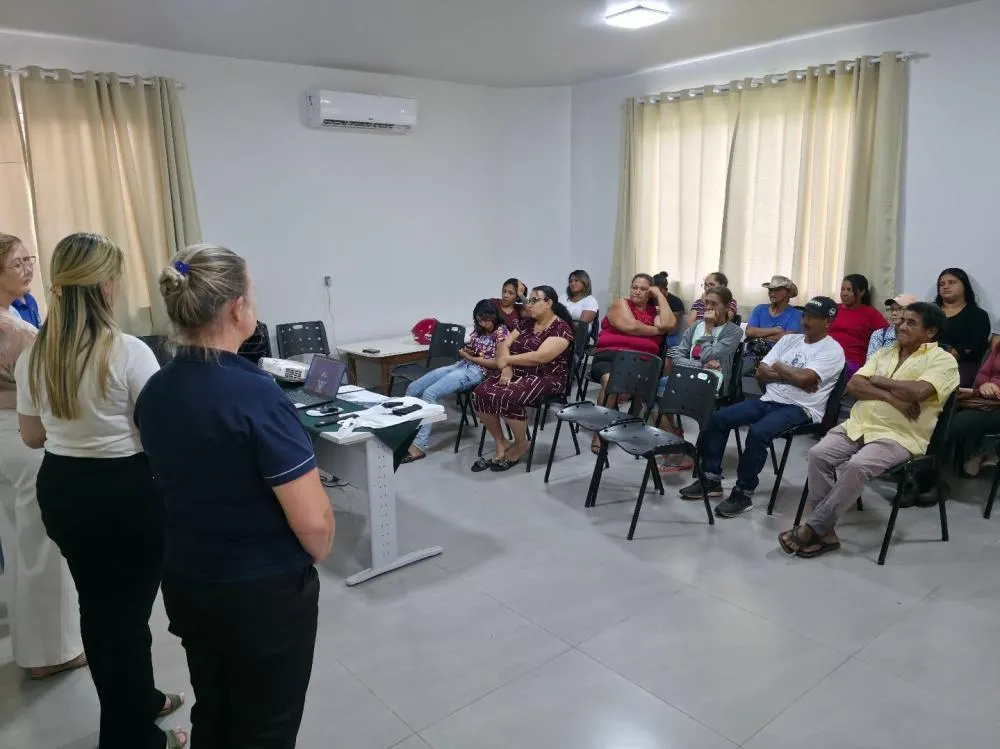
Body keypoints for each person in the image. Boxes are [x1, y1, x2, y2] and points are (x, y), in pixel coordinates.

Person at [134, 244, 334, 748]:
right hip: (260, 596)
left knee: (216, 706)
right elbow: (313, 524)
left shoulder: (157, 389)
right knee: (266, 724)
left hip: (189, 582)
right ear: (237, 308)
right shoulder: (255, 395)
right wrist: (316, 550)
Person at [15, 233, 185, 749]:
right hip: (125, 493)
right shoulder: (128, 352)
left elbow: (32, 436)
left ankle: (142, 699)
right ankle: (130, 736)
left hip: (64, 489)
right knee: (126, 618)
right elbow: (158, 437)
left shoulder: (35, 356)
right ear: (107, 286)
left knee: (103, 608)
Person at [779, 302, 959, 558]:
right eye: (902, 320)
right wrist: (893, 398)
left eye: (911, 322)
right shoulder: (886, 352)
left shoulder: (943, 360)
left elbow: (919, 391)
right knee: (819, 454)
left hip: (900, 435)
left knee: (857, 466)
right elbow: (854, 385)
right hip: (859, 424)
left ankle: (814, 527)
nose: (902, 325)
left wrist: (878, 380)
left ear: (930, 332)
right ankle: (825, 532)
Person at [0, 233, 85, 679]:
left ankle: (33, 646)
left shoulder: (15, 313)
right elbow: (55, 368)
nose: (28, 268)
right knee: (41, 545)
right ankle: (52, 653)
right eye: (17, 263)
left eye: (29, 259)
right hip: (19, 435)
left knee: (18, 545)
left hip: (5, 439)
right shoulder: (14, 329)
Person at [679, 297, 845, 516]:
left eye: (813, 317)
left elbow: (805, 379)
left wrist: (779, 370)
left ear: (827, 322)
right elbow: (761, 372)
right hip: (769, 400)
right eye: (805, 316)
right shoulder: (789, 341)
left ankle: (743, 493)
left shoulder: (832, 350)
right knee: (718, 418)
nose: (806, 321)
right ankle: (711, 480)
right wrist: (789, 374)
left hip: (801, 408)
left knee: (758, 433)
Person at [471, 285, 574, 472]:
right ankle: (501, 442)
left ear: (549, 303)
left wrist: (506, 360)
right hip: (518, 371)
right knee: (480, 393)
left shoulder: (561, 329)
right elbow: (503, 344)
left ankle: (521, 443)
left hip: (547, 376)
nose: (529, 304)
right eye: (529, 299)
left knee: (506, 395)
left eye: (534, 300)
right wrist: (507, 368)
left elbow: (540, 357)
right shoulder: (526, 323)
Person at [403, 299, 509, 462]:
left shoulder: (501, 332)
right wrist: (469, 352)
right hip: (462, 364)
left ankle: (419, 446)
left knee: (430, 394)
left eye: (486, 319)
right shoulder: (480, 329)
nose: (483, 323)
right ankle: (408, 435)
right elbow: (477, 350)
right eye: (479, 320)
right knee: (413, 388)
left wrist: (470, 357)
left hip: (478, 371)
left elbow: (497, 363)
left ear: (494, 316)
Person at [587, 274, 676, 451]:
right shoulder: (620, 304)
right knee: (610, 380)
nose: (637, 291)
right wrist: (657, 330)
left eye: (643, 289)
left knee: (642, 383)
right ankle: (600, 431)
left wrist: (659, 295)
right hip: (611, 357)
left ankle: (630, 422)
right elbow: (631, 327)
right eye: (634, 287)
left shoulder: (655, 311)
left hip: (643, 363)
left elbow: (670, 324)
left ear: (650, 292)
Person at [935, 267, 992, 387]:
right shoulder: (929, 312)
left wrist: (947, 357)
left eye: (952, 282)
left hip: (962, 364)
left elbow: (976, 346)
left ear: (965, 286)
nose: (945, 286)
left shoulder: (977, 315)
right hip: (925, 359)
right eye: (942, 284)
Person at [951, 345, 1000, 476]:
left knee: (959, 421)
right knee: (945, 411)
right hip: (984, 400)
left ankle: (981, 454)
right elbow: (983, 374)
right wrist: (985, 384)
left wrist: (995, 389)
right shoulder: (998, 348)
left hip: (996, 405)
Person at [828, 273, 888, 378]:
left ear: (861, 292)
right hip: (826, 357)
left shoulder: (870, 313)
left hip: (850, 362)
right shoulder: (833, 308)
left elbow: (889, 334)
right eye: (842, 289)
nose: (844, 293)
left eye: (849, 290)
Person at [745, 275, 803, 366]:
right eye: (770, 290)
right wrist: (776, 330)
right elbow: (749, 331)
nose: (772, 293)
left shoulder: (796, 313)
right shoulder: (760, 309)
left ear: (788, 293)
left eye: (777, 290)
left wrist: (758, 335)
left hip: (779, 359)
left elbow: (788, 340)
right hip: (753, 355)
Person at [866, 293, 918, 360]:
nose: (894, 313)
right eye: (892, 309)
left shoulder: (918, 336)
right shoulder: (879, 335)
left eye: (900, 309)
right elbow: (870, 364)